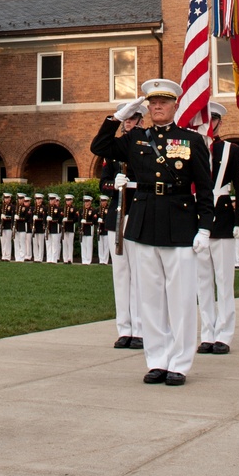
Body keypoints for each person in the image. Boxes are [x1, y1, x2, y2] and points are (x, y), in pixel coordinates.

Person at [91, 79, 214, 386]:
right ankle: (157, 360)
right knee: (150, 298)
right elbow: (99, 147)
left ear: (174, 105)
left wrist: (205, 227)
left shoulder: (190, 140)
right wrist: (118, 117)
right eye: (152, 103)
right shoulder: (135, 139)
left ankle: (180, 363)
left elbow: (205, 188)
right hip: (144, 223)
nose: (157, 107)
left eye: (163, 102)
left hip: (180, 222)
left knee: (182, 299)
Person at [195, 102, 239, 356]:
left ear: (219, 122)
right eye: (204, 120)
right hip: (198, 222)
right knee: (202, 282)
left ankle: (224, 334)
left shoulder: (232, 151)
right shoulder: (193, 148)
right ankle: (207, 332)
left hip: (224, 219)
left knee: (224, 281)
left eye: (213, 119)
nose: (209, 124)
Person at [98, 149, 141, 348]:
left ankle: (139, 329)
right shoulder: (113, 153)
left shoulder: (144, 149)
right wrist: (114, 185)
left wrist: (132, 184)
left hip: (137, 216)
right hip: (117, 217)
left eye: (133, 119)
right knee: (121, 275)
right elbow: (103, 184)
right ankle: (124, 329)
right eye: (126, 120)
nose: (129, 123)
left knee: (139, 275)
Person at [14, 194, 31, 261]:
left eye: (21, 199)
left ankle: (22, 257)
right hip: (16, 227)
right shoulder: (16, 208)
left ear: (23, 199)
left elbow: (27, 218)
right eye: (19, 199)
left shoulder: (26, 208)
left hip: (23, 227)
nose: (20, 200)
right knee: (16, 242)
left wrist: (20, 218)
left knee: (22, 242)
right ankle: (17, 257)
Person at [46, 193, 62, 263]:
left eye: (52, 200)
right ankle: (49, 259)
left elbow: (60, 219)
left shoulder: (58, 209)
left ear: (55, 200)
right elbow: (44, 217)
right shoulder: (47, 209)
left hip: (55, 228)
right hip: (48, 228)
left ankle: (54, 259)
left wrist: (52, 219)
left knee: (55, 244)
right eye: (50, 200)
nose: (51, 201)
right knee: (48, 244)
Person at [79, 195, 96, 264]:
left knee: (89, 245)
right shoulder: (81, 210)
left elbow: (94, 221)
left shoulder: (92, 210)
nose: (87, 203)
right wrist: (80, 227)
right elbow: (79, 220)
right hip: (83, 229)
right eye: (85, 202)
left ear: (90, 202)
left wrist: (87, 222)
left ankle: (88, 260)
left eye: (88, 202)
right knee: (83, 245)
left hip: (89, 228)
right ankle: (84, 259)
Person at [0, 191, 15, 260]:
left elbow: (13, 216)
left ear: (10, 199)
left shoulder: (12, 207)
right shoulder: (2, 206)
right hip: (3, 226)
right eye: (5, 198)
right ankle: (3, 255)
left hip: (8, 226)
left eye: (7, 198)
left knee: (8, 241)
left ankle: (8, 256)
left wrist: (6, 217)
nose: (6, 199)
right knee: (3, 241)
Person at [61, 193, 77, 263]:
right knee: (64, 244)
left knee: (70, 243)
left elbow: (76, 218)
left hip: (70, 228)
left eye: (69, 200)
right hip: (64, 228)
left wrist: (68, 220)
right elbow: (60, 218)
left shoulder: (74, 209)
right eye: (67, 200)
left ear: (72, 201)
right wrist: (62, 219)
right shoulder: (63, 208)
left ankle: (70, 258)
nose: (67, 201)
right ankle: (65, 258)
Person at [31, 193, 47, 262]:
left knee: (40, 243)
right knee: (35, 243)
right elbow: (30, 217)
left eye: (39, 199)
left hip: (40, 227)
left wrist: (38, 218)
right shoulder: (33, 208)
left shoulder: (44, 208)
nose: (38, 200)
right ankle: (36, 257)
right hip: (35, 227)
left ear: (42, 200)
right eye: (37, 199)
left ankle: (40, 258)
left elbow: (44, 218)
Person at [96, 196, 111, 264]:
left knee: (106, 245)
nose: (103, 202)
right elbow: (95, 218)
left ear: (106, 201)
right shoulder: (98, 209)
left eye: (104, 201)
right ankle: (101, 260)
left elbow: (109, 218)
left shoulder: (108, 209)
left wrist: (103, 221)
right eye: (102, 201)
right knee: (100, 245)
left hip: (106, 229)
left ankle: (105, 260)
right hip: (100, 229)